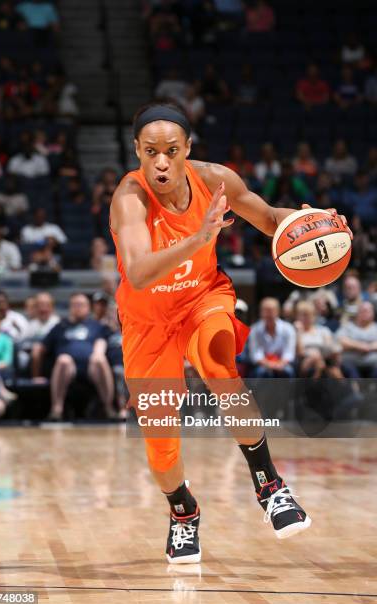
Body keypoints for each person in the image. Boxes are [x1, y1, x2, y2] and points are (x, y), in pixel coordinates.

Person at [109, 102, 351, 564]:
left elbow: (266, 217)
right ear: (137, 151)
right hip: (147, 322)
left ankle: (270, 486)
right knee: (160, 441)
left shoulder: (216, 179)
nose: (161, 163)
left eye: (171, 151)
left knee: (221, 368)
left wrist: (312, 223)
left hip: (203, 298)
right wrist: (197, 239)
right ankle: (184, 512)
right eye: (150, 152)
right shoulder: (129, 198)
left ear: (188, 150)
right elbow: (138, 273)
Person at [32, 293, 116, 420]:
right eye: (75, 305)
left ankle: (108, 408)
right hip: (67, 368)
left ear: (88, 307)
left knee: (99, 359)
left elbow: (111, 341)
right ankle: (56, 409)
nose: (78, 308)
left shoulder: (97, 326)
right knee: (63, 360)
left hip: (91, 367)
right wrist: (36, 376)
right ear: (70, 307)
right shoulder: (60, 326)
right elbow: (41, 348)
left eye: (82, 305)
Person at [248, 298, 296, 378]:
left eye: (271, 310)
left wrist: (280, 364)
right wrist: (270, 365)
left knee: (288, 371)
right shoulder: (254, 329)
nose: (269, 314)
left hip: (282, 363)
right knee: (262, 372)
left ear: (278, 311)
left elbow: (289, 353)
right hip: (263, 364)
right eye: (266, 310)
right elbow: (256, 354)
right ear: (261, 312)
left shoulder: (288, 329)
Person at [336, 301, 377, 378]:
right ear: (357, 313)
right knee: (350, 371)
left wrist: (368, 347)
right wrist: (360, 346)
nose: (364, 313)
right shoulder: (348, 327)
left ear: (373, 313)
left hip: (374, 365)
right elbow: (341, 340)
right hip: (351, 364)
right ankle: (356, 390)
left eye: (367, 311)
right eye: (362, 311)